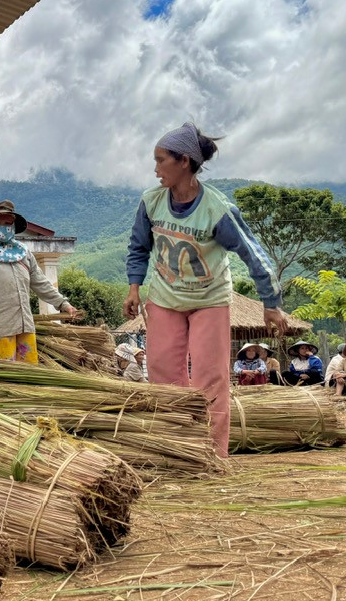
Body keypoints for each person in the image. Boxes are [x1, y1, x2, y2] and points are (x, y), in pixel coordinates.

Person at [123, 123, 288, 457]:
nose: (155, 169)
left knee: (209, 379)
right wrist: (134, 287)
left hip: (208, 300)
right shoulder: (152, 201)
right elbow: (139, 247)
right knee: (163, 377)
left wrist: (270, 303)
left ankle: (211, 456)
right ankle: (179, 449)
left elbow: (252, 254)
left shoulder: (217, 209)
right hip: (165, 298)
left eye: (160, 160)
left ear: (184, 161)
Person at [0, 200, 81, 364]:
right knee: (7, 373)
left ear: (14, 226)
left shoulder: (23, 253)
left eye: (7, 223)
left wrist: (63, 304)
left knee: (29, 371)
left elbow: (41, 283)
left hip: (25, 324)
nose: (3, 226)